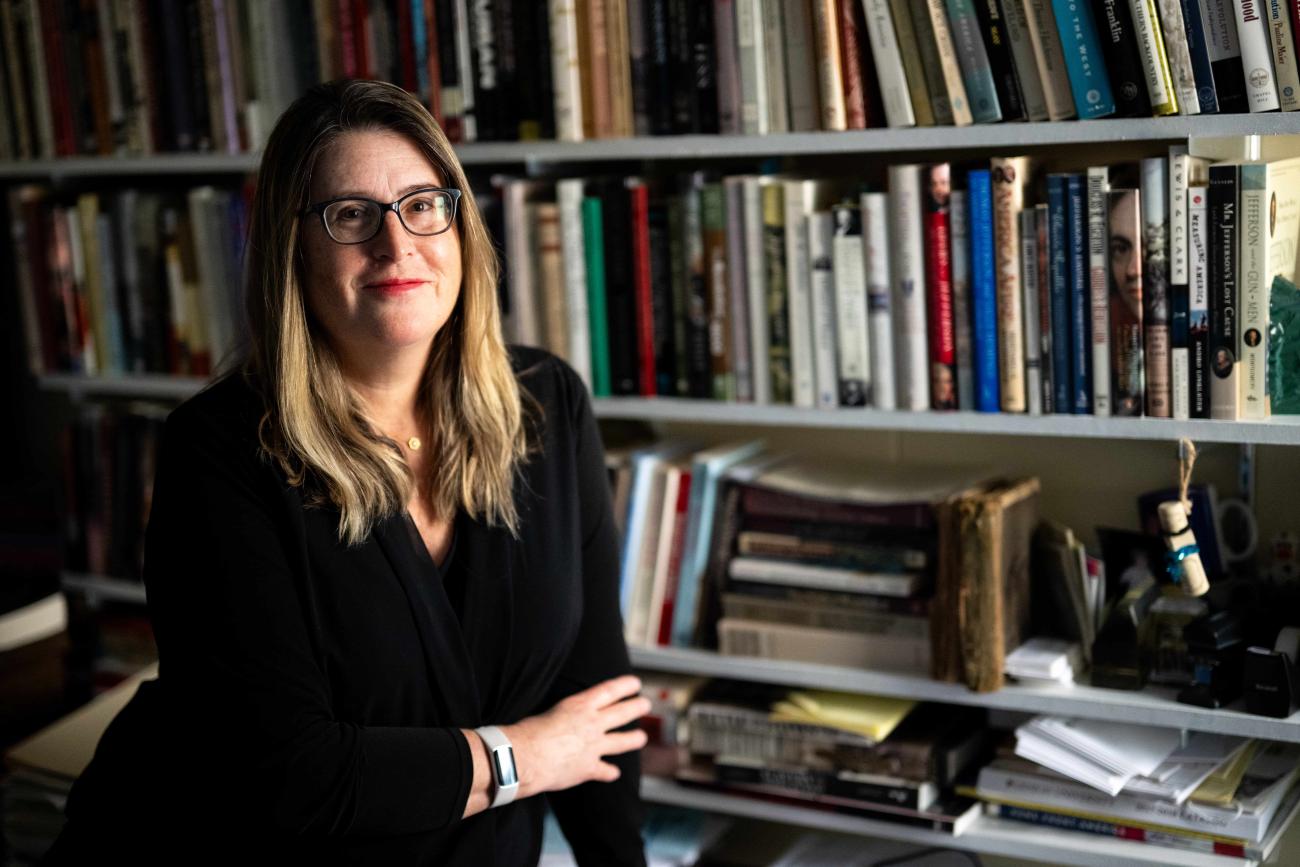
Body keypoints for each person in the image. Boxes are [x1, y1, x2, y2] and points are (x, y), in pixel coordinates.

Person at [45, 79, 649, 866]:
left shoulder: (547, 405)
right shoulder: (220, 452)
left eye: (423, 205)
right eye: (351, 214)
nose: (396, 245)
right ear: (292, 248)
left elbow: (597, 706)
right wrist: (523, 756)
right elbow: (294, 776)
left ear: (460, 225)